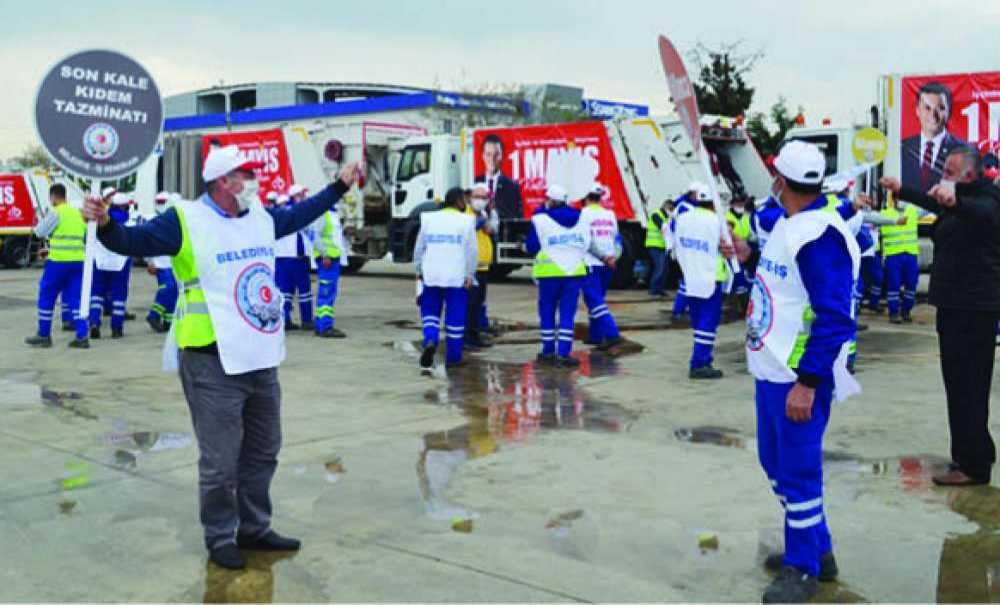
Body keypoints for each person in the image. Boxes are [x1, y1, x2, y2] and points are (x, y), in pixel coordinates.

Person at [83, 144, 360, 570]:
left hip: (259, 357)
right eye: (245, 175)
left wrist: (339, 186)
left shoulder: (261, 218)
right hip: (210, 359)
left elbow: (302, 214)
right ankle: (220, 537)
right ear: (222, 182)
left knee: (263, 451)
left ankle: (254, 528)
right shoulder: (185, 219)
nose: (254, 181)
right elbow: (131, 241)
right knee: (221, 461)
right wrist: (104, 224)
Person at [728, 140, 860, 602]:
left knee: (799, 473)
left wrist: (807, 382)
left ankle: (802, 569)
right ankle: (817, 548)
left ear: (781, 181)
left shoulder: (818, 235)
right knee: (776, 465)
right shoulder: (791, 223)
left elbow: (834, 317)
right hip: (772, 371)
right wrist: (747, 257)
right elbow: (780, 286)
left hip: (795, 378)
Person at [881, 146, 1000, 486]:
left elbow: (981, 214)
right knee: (960, 385)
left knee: (968, 387)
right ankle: (977, 450)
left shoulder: (987, 200)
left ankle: (973, 465)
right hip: (955, 306)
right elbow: (934, 202)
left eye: (950, 171)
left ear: (970, 175)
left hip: (972, 310)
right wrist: (901, 190)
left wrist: (954, 201)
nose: (943, 176)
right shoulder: (959, 198)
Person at [525, 184, 611, 368]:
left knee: (547, 312)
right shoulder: (582, 217)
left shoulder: (540, 219)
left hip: (548, 274)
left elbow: (531, 246)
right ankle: (563, 354)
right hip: (573, 273)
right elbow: (588, 244)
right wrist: (603, 257)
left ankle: (548, 351)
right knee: (567, 314)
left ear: (550, 200)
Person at [414, 187, 478, 370]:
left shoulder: (429, 219)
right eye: (464, 200)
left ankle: (430, 339)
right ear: (458, 201)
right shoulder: (466, 221)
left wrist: (419, 270)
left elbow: (419, 248)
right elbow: (472, 251)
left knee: (430, 312)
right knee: (455, 317)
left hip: (431, 274)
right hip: (456, 277)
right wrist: (470, 274)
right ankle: (454, 357)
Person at [672, 183, 730, 379]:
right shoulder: (717, 220)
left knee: (698, 322)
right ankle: (700, 362)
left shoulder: (684, 218)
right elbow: (726, 246)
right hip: (711, 276)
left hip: (690, 276)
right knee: (708, 322)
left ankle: (701, 358)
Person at [25, 183, 90, 348]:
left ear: (53, 197)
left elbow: (39, 232)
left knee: (47, 296)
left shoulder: (57, 212)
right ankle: (82, 336)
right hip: (78, 262)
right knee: (77, 299)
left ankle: (44, 335)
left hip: (58, 263)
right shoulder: (78, 213)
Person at [901, 81, 966, 191]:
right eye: (927, 108)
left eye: (940, 108)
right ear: (917, 111)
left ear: (949, 112)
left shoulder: (963, 152)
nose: (933, 115)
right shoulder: (902, 148)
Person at [579, 184, 622, 349]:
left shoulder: (583, 214)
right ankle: (595, 335)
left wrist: (603, 257)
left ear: (586, 198)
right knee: (598, 300)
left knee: (593, 299)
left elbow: (587, 242)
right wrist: (613, 257)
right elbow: (617, 239)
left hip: (592, 262)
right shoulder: (610, 214)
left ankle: (612, 333)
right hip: (609, 264)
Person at [89, 192, 134, 339]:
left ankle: (94, 322)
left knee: (96, 294)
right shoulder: (130, 221)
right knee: (119, 296)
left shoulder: (100, 219)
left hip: (100, 261)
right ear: (125, 206)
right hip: (120, 263)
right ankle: (116, 329)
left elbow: (88, 238)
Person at [879, 196, 929, 323]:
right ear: (894, 200)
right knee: (893, 285)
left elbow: (929, 208)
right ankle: (894, 313)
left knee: (911, 284)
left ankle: (906, 310)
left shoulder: (912, 212)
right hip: (893, 256)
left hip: (910, 255)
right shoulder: (885, 214)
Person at [274, 184, 314, 330]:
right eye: (301, 195)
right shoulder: (297, 212)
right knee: (303, 291)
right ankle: (306, 320)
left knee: (284, 291)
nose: (304, 197)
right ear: (295, 196)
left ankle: (285, 320)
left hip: (282, 256)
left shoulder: (282, 212)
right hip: (295, 257)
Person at [309, 195, 348, 338]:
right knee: (326, 293)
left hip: (333, 259)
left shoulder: (332, 214)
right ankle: (325, 327)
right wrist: (324, 254)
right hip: (327, 259)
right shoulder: (323, 214)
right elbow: (315, 236)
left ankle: (320, 324)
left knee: (328, 293)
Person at [464, 183, 498, 349]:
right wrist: (481, 221)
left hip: (483, 267)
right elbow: (469, 229)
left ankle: (475, 335)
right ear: (470, 198)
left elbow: (491, 230)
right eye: (477, 197)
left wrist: (489, 216)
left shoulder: (484, 214)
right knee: (470, 305)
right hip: (472, 269)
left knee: (478, 304)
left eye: (484, 198)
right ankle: (467, 338)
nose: (480, 200)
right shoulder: (466, 214)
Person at [145, 192, 178, 333]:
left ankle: (168, 321)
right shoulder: (152, 220)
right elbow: (145, 243)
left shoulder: (176, 220)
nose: (160, 204)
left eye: (163, 201)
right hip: (160, 263)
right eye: (159, 202)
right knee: (167, 288)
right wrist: (149, 261)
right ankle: (154, 314)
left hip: (173, 262)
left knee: (174, 292)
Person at [474, 134, 523, 220]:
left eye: (496, 154)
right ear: (483, 156)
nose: (492, 159)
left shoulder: (512, 186)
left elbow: (517, 218)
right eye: (488, 154)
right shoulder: (474, 183)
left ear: (502, 156)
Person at [644, 199, 670, 297]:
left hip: (663, 246)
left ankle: (660, 289)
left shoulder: (666, 217)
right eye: (670, 208)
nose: (670, 210)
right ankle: (654, 290)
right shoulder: (656, 214)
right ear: (665, 206)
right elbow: (662, 226)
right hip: (654, 245)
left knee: (665, 269)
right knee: (660, 267)